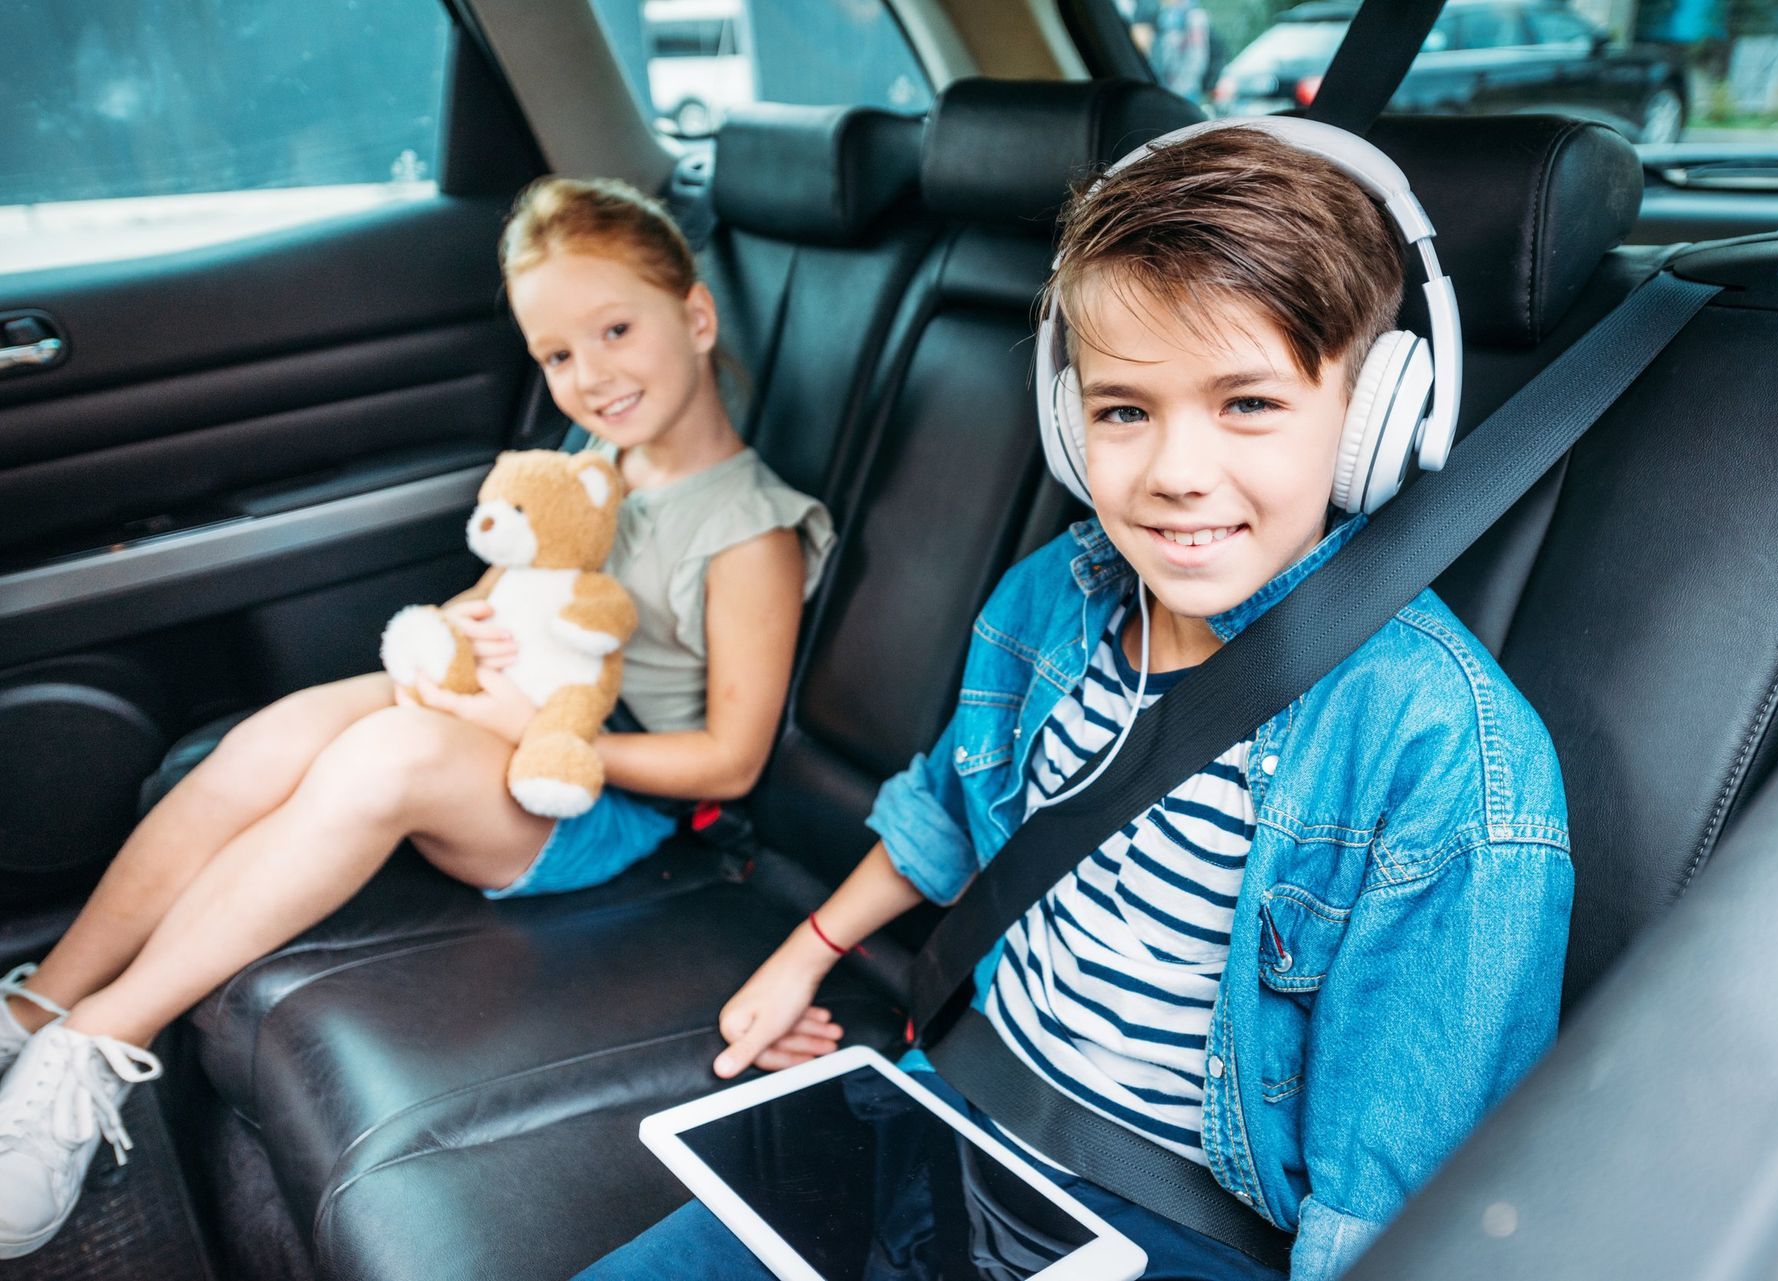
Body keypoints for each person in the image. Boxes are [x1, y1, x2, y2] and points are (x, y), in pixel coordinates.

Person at [581, 123, 1574, 1281]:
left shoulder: (1441, 753)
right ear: (1068, 421)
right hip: (956, 1110)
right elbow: (951, 808)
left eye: (1247, 404)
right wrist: (807, 951)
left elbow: (1393, 1197)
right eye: (1123, 411)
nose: (1175, 474)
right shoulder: (1053, 599)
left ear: (1372, 421)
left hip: (1183, 1224)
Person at [0, 176, 834, 1260]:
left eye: (615, 330)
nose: (591, 376)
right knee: (286, 732)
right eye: (559, 356)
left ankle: (104, 1042)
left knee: (389, 753)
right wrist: (460, 644)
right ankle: (37, 1005)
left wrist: (539, 730)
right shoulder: (592, 470)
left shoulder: (748, 531)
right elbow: (498, 598)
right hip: (515, 727)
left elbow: (729, 762)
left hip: (607, 802)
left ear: (696, 315)